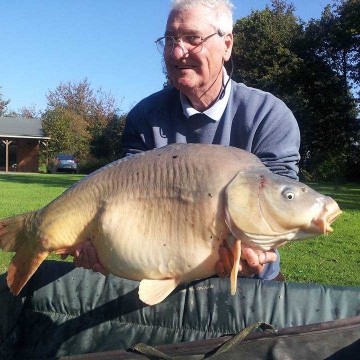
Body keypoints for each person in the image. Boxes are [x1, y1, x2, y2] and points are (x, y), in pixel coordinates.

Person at [68, 0, 300, 282]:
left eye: (192, 38)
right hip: (161, 277)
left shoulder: (269, 115)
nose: (177, 52)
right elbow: (124, 203)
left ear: (226, 45)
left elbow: (282, 204)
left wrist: (258, 251)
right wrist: (105, 248)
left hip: (252, 285)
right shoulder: (145, 116)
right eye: (170, 40)